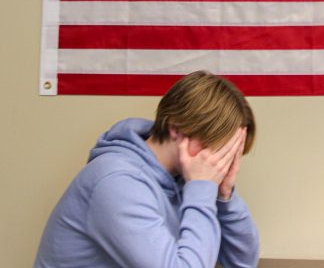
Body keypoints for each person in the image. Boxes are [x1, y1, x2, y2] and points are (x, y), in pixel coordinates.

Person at [34, 71, 259, 268]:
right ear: (176, 128)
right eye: (218, 150)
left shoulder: (185, 178)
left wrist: (224, 196)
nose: (220, 163)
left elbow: (242, 262)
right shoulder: (116, 182)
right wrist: (202, 188)